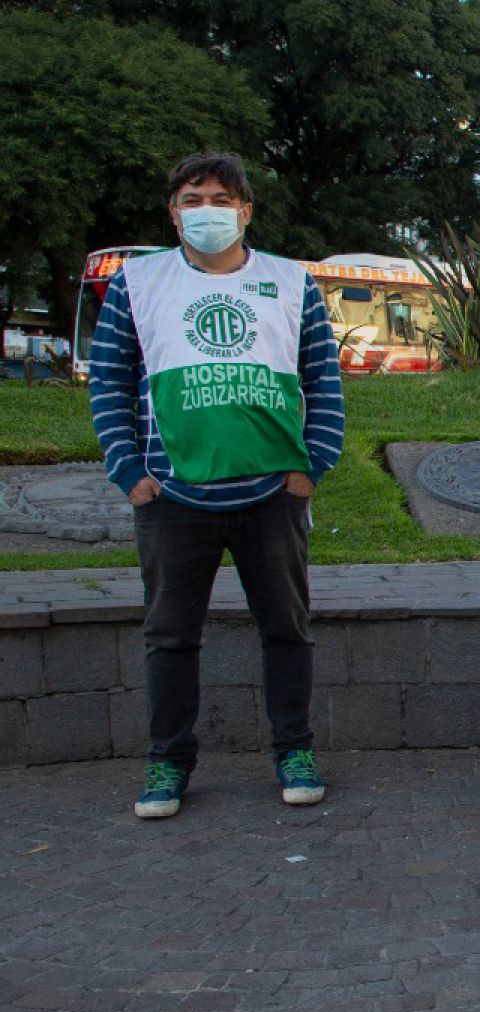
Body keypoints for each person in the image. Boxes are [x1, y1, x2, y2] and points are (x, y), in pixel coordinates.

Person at [87, 151, 344, 819]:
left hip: (271, 496)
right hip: (173, 497)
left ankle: (294, 749)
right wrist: (130, 472)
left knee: (286, 629)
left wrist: (309, 467)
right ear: (173, 212)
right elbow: (109, 381)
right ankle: (167, 762)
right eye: (193, 199)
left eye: (221, 199)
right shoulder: (137, 285)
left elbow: (323, 379)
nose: (208, 211)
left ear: (247, 210)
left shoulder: (292, 282)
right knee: (169, 636)